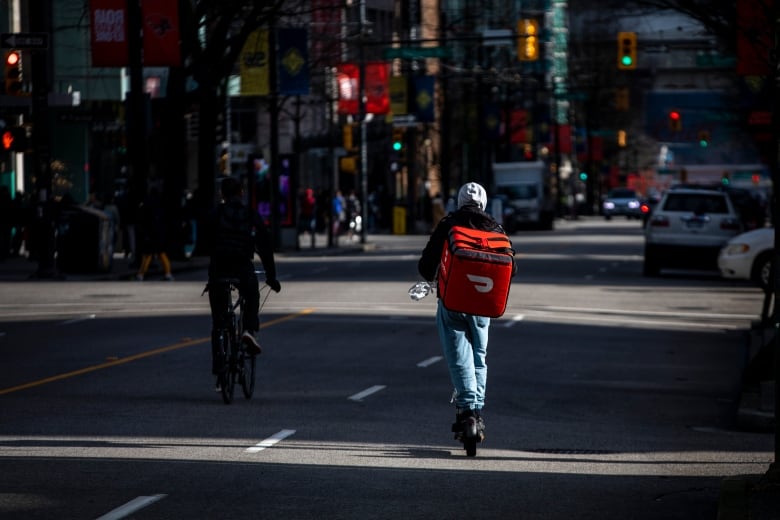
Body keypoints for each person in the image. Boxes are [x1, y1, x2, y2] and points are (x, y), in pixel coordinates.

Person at [417, 182, 516, 440]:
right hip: (482, 305)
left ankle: (468, 410)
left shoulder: (449, 224)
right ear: (483, 203)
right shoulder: (495, 227)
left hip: (452, 301)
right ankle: (477, 411)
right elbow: (511, 269)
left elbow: (425, 266)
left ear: (459, 202)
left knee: (458, 356)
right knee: (479, 357)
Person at [206, 177, 281, 378]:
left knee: (219, 319)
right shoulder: (251, 215)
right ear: (242, 192)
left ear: (222, 194)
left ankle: (219, 364)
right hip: (242, 267)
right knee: (251, 294)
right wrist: (271, 277)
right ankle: (248, 330)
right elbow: (265, 247)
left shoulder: (215, 214)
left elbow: (205, 243)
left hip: (219, 268)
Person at [135, 188, 173, 281]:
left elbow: (143, 219)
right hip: (159, 234)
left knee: (147, 255)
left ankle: (141, 274)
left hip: (150, 233)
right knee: (162, 254)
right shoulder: (161, 204)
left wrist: (144, 233)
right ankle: (168, 273)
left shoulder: (146, 204)